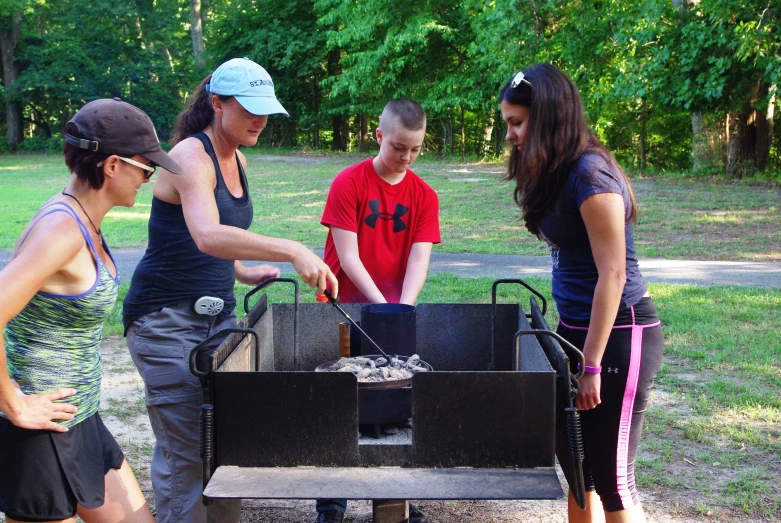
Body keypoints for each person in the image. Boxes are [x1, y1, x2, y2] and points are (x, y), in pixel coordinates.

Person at [122, 57, 338, 523]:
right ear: (217, 104)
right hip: (165, 322)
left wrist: (243, 271)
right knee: (191, 452)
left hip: (216, 319)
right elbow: (205, 233)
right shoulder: (188, 157)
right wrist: (291, 250)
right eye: (249, 108)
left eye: (266, 109)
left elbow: (218, 237)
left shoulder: (236, 156)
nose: (260, 119)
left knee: (230, 442)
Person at [0, 98, 181, 522]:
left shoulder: (82, 218)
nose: (148, 178)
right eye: (146, 167)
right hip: (40, 436)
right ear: (113, 165)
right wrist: (14, 404)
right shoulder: (61, 230)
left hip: (80, 420)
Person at [499, 63, 664, 523]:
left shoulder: (592, 176)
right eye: (507, 123)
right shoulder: (554, 168)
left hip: (619, 336)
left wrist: (591, 364)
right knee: (578, 469)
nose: (510, 135)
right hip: (574, 330)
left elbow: (612, 275)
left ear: (548, 116)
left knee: (613, 481)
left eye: (517, 123)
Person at [316, 98, 440, 523]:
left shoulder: (424, 194)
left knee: (397, 397)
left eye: (415, 149)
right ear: (378, 136)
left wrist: (401, 310)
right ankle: (332, 499)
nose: (405, 157)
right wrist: (381, 306)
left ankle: (399, 495)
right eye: (398, 147)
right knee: (344, 399)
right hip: (346, 305)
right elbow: (348, 257)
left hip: (394, 307)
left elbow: (419, 258)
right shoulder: (349, 183)